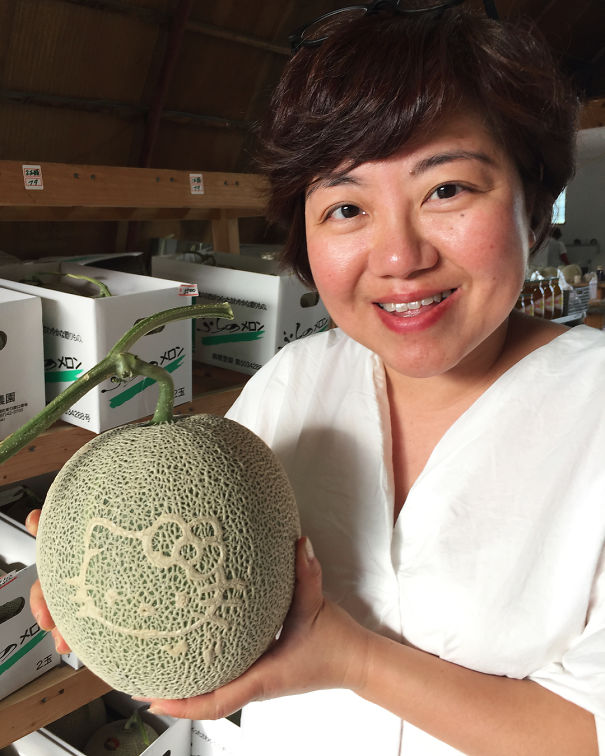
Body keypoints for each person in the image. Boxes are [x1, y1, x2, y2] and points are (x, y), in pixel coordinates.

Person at [28, 2, 605, 754]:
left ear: (533, 205)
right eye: (346, 206)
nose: (398, 258)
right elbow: (206, 599)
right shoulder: (291, 381)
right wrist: (100, 571)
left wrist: (347, 657)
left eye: (447, 190)